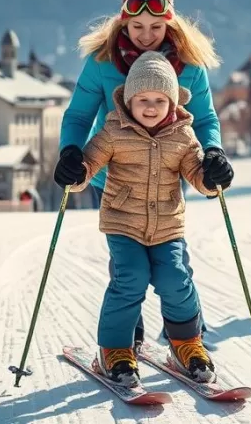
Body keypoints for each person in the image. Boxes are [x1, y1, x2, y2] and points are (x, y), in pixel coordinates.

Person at [54, 0, 233, 349]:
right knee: (128, 266)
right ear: (123, 23)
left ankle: (184, 331)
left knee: (174, 260)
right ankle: (127, 335)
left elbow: (205, 119)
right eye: (136, 27)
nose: (146, 35)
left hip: (169, 167)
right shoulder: (102, 62)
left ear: (170, 24)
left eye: (156, 27)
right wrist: (72, 152)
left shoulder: (189, 66)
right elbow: (78, 116)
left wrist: (213, 151)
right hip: (111, 169)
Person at [69, 52, 219, 386]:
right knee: (130, 279)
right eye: (142, 99)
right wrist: (74, 171)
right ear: (129, 99)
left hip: (167, 224)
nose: (150, 107)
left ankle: (186, 343)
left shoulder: (183, 135)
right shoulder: (112, 131)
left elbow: (197, 174)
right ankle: (115, 350)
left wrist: (212, 177)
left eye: (159, 100)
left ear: (172, 101)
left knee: (176, 279)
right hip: (123, 223)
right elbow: (89, 166)